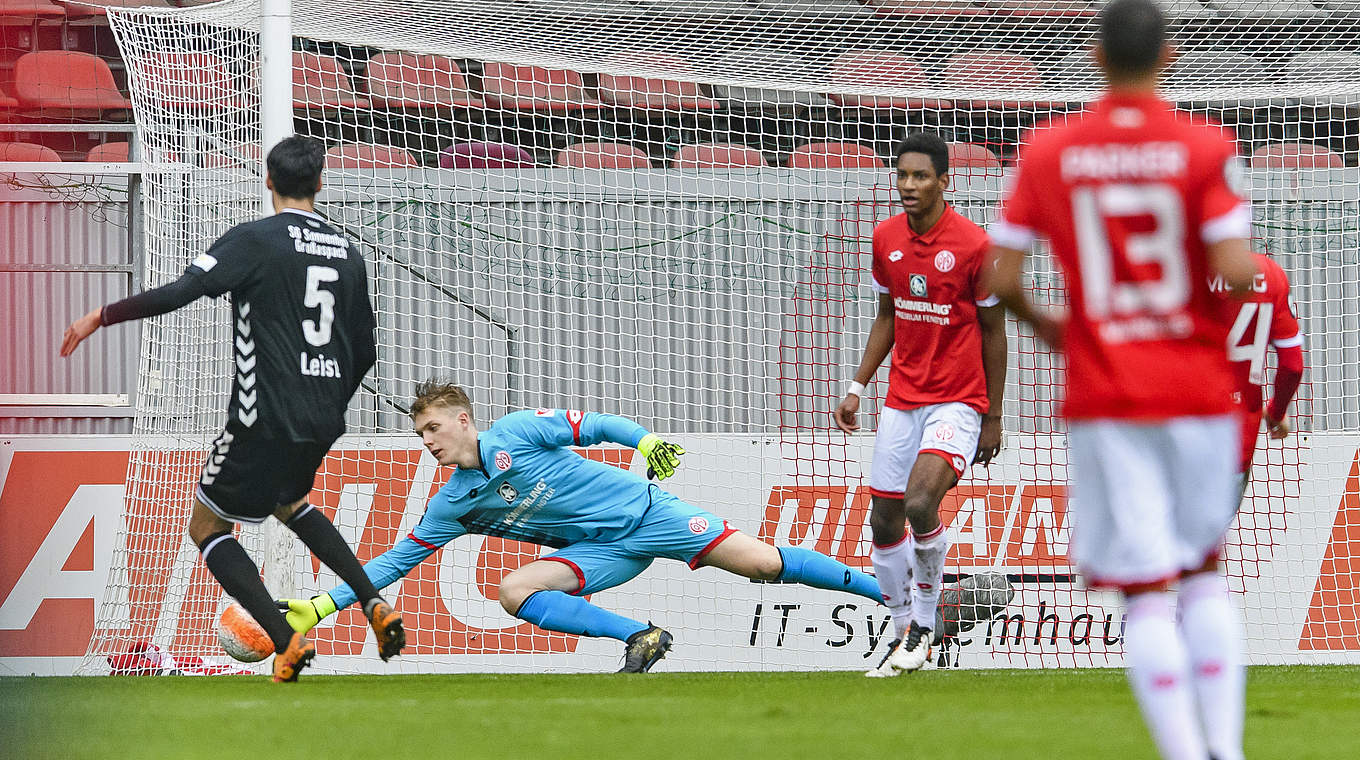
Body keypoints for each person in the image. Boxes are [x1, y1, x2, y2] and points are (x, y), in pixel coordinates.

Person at [986, 1, 1259, 757]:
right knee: (1204, 572)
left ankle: (1181, 753)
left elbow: (999, 272)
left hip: (1106, 392)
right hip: (1198, 389)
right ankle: (1227, 750)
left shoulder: (1048, 151)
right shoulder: (1205, 146)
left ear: (1095, 57)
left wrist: (1049, 329)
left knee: (1142, 592)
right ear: (1168, 57)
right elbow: (1236, 270)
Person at [60, 135, 405, 682]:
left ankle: (285, 638)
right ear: (320, 183)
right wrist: (325, 403)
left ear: (267, 181)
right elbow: (366, 351)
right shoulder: (348, 253)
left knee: (206, 526)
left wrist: (101, 315)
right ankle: (372, 599)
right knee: (290, 502)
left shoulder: (253, 240)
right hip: (323, 416)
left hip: (261, 415)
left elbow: (178, 293)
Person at [277, 380, 891, 673]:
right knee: (514, 590)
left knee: (763, 565)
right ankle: (642, 637)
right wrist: (322, 606)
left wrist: (645, 440)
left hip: (650, 515)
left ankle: (890, 593)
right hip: (601, 552)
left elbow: (592, 423)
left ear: (465, 421)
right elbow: (394, 563)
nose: (427, 441)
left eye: (434, 428)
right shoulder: (452, 505)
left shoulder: (518, 430)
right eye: (420, 435)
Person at [833, 132, 1008, 676]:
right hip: (901, 399)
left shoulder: (976, 246)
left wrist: (993, 417)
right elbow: (889, 314)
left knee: (919, 503)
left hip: (958, 400)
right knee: (883, 522)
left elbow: (994, 332)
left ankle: (925, 626)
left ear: (944, 181)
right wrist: (858, 385)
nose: (909, 185)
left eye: (920, 176)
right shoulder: (885, 237)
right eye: (902, 175)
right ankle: (905, 624)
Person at [1213, 252, 1304, 492]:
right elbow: (1292, 366)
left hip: (1173, 433)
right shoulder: (1270, 273)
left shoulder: (1182, 267)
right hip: (1235, 440)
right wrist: (1276, 411)